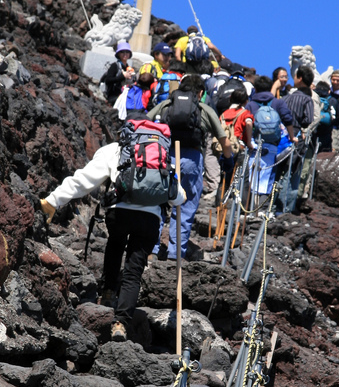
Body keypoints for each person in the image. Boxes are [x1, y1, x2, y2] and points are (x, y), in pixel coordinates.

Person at [39, 126, 185, 342]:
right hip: (150, 220)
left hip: (119, 214)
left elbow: (85, 180)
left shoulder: (116, 150)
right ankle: (121, 323)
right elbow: (178, 197)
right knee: (134, 270)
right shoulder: (162, 156)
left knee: (115, 244)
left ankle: (107, 294)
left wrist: (54, 200)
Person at [147, 74, 232, 259]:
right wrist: (229, 159)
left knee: (159, 204)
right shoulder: (204, 109)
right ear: (201, 92)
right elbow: (224, 142)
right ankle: (175, 254)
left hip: (165, 158)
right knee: (185, 206)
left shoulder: (166, 105)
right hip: (191, 160)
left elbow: (144, 122)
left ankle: (151, 250)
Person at [246, 76, 298, 142]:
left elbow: (247, 123)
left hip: (256, 143)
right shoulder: (279, 102)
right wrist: (292, 137)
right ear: (270, 88)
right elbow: (288, 119)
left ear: (255, 89)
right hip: (276, 144)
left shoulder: (250, 105)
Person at [285, 65, 315, 137]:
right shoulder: (307, 99)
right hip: (297, 134)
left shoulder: (285, 98)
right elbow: (308, 119)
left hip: (283, 133)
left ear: (300, 79)